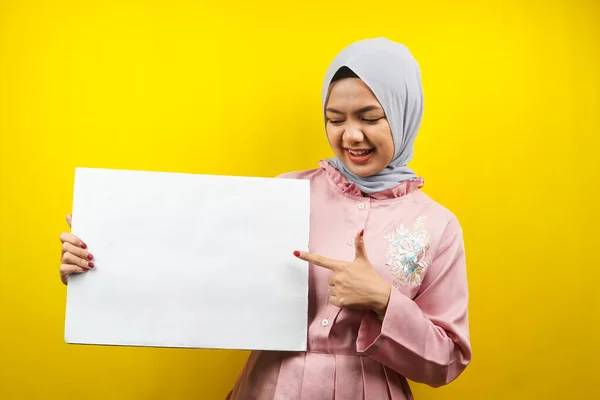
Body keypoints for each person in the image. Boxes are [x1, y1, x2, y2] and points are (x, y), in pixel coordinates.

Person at [59, 37, 471, 399]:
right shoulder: (284, 193)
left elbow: (448, 361)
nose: (351, 135)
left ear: (404, 113)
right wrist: (100, 263)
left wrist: (383, 300)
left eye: (369, 117)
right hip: (272, 389)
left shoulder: (437, 225)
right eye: (335, 119)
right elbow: (198, 270)